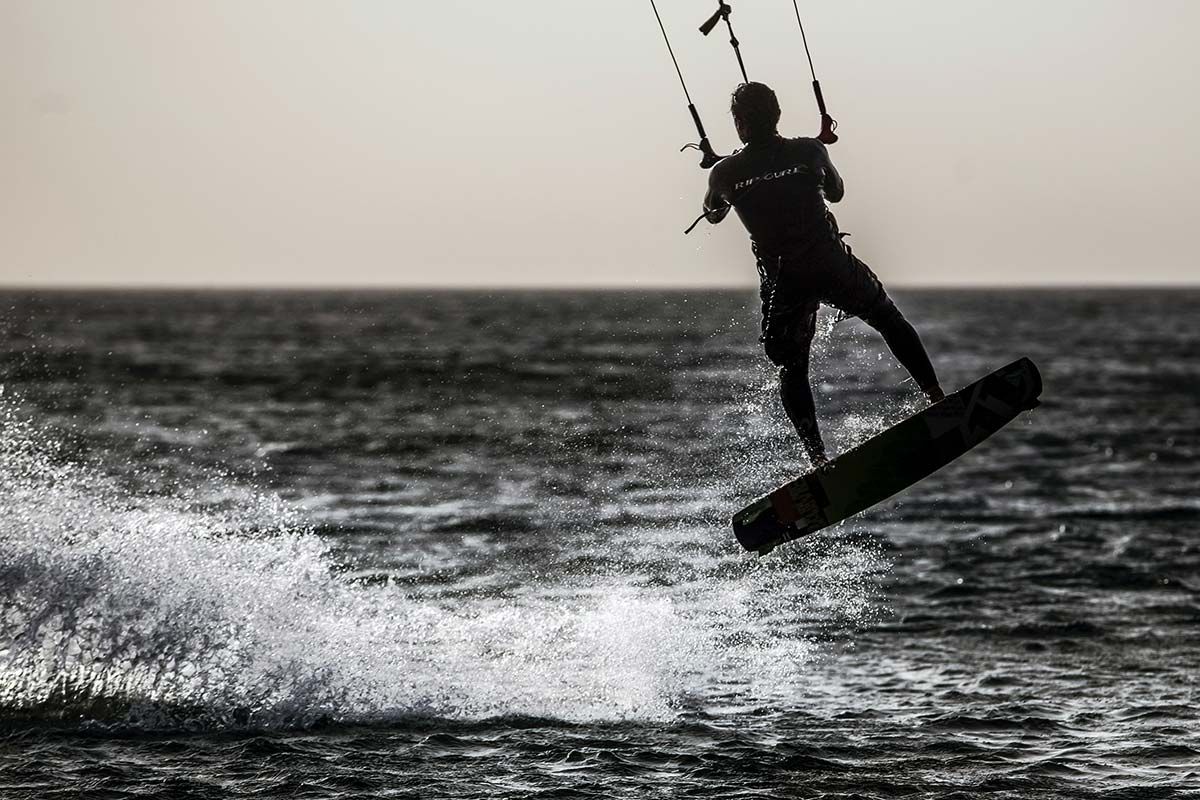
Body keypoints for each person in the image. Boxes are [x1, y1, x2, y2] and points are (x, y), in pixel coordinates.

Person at [703, 81, 944, 468]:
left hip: (786, 282)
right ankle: (935, 398)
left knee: (792, 366)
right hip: (831, 265)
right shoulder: (809, 150)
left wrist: (717, 165)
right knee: (887, 318)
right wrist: (813, 158)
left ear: (739, 123)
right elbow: (837, 193)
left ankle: (818, 460)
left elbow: (713, 213)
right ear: (777, 115)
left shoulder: (725, 173)